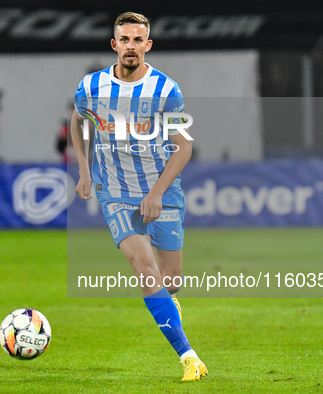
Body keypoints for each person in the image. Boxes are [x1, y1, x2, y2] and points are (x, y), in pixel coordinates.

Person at [70, 12, 207, 381]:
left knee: (171, 279)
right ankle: (189, 357)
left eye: (138, 40)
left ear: (148, 45)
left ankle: (166, 303)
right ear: (114, 45)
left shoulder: (166, 90)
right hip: (114, 192)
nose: (131, 46)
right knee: (144, 268)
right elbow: (78, 120)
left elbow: (183, 148)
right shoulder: (92, 85)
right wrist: (84, 169)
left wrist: (158, 193)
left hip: (161, 192)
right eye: (125, 40)